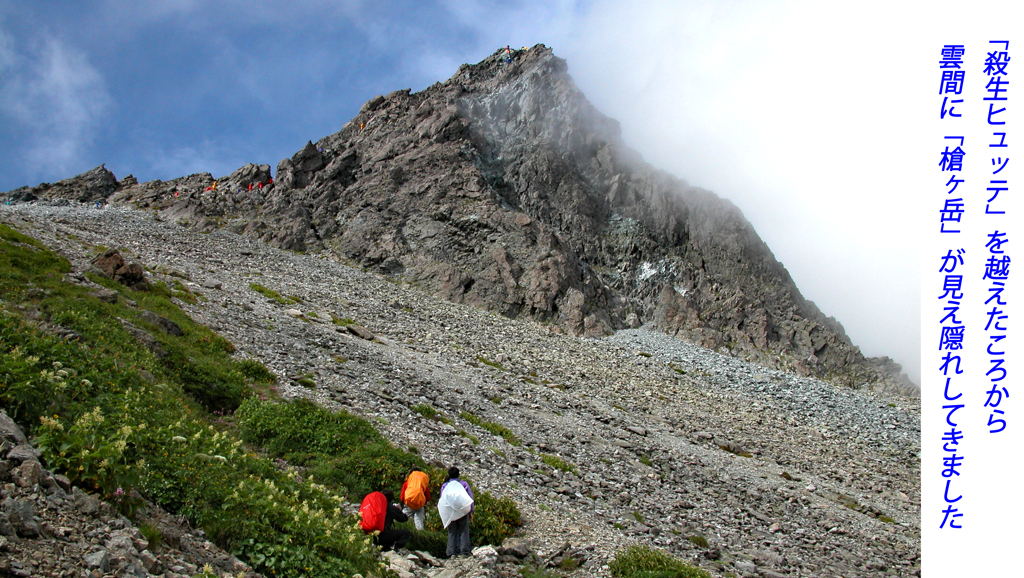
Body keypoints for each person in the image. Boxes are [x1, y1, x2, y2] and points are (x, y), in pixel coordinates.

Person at [440, 466, 473, 557]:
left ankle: (451, 553)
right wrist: (471, 511)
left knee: (452, 532)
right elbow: (470, 498)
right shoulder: (464, 484)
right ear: (458, 474)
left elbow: (442, 499)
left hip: (450, 511)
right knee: (463, 531)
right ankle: (465, 551)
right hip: (463, 510)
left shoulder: (445, 485)